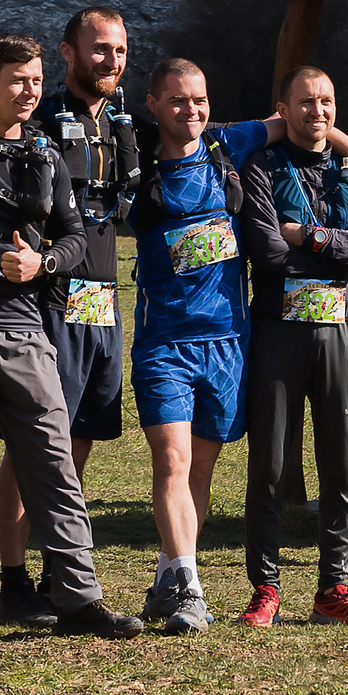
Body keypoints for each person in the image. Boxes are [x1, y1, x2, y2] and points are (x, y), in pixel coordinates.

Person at [0, 34, 143, 640]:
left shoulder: (44, 152)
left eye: (36, 80)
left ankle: (78, 597)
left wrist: (42, 263)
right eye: (16, 79)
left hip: (26, 331)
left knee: (55, 467)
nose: (30, 91)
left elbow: (74, 235)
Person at [236, 65, 348, 627]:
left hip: (340, 327)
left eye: (327, 102)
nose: (319, 112)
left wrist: (312, 236)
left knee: (342, 463)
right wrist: (341, 246)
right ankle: (266, 587)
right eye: (306, 102)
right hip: (278, 330)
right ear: (282, 109)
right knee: (268, 465)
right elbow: (266, 252)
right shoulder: (261, 164)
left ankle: (334, 586)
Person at [0, 7, 141, 626]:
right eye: (100, 49)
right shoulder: (40, 120)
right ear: (69, 53)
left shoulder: (128, 120)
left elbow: (213, 127)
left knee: (77, 441)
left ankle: (61, 574)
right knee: (30, 445)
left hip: (103, 302)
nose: (112, 60)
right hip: (48, 301)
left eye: (122, 50)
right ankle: (13, 582)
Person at [123, 59, 270, 634]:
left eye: (200, 99)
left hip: (229, 342)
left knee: (201, 469)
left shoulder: (226, 146)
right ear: (154, 104)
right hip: (165, 343)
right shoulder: (134, 167)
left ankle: (166, 578)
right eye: (178, 100)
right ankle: (190, 586)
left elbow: (294, 120)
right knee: (173, 460)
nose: (192, 110)